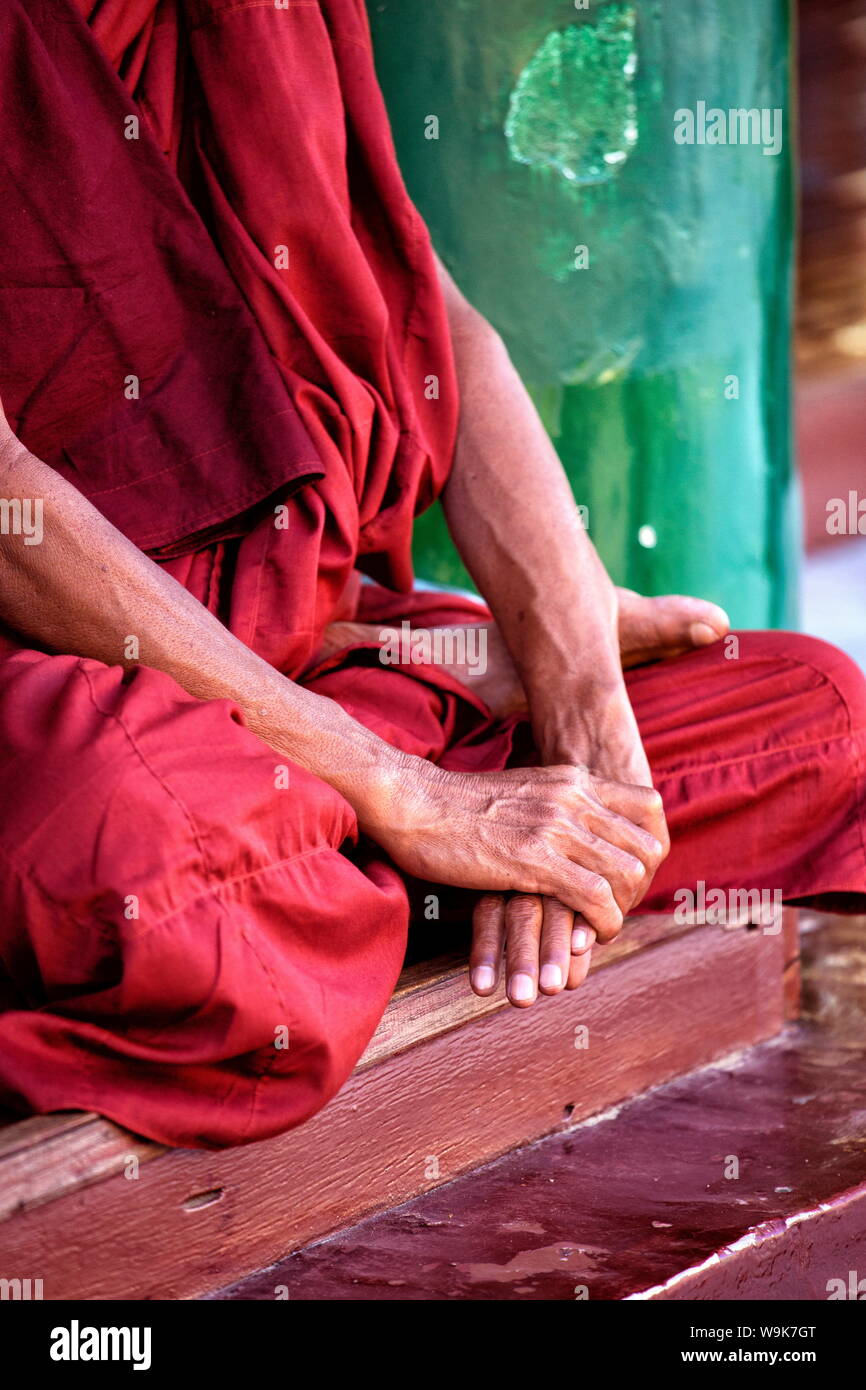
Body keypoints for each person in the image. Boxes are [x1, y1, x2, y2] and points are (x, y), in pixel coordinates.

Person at [0, 0, 863, 1148]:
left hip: (316, 658)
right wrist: (407, 795)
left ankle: (399, 855)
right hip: (99, 694)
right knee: (156, 876)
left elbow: (430, 310)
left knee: (812, 712)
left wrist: (591, 746)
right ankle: (402, 840)